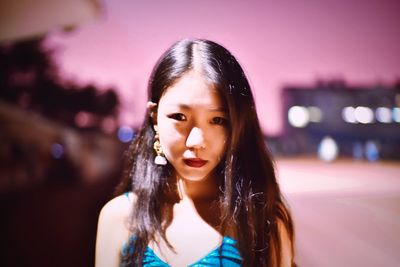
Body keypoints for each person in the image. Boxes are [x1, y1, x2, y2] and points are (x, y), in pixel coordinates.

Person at [95, 39, 295, 267]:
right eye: (179, 117)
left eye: (218, 120)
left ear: (237, 126)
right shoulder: (118, 217)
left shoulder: (262, 223)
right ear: (154, 117)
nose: (197, 141)